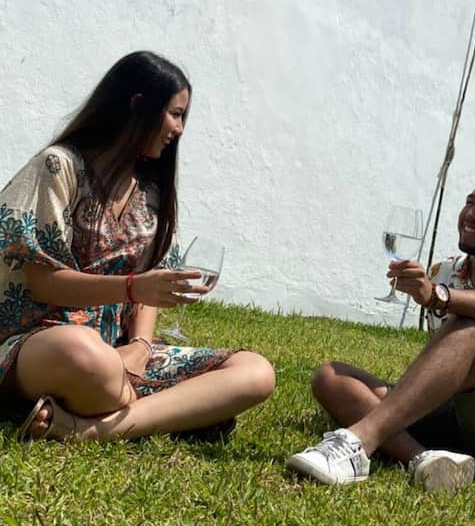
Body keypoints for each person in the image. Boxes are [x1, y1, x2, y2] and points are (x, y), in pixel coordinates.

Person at [0, 51, 275, 441]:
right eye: (175, 114)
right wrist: (131, 288)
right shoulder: (58, 168)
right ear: (137, 106)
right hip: (43, 341)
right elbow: (43, 283)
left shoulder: (151, 192)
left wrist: (142, 346)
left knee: (256, 372)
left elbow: (152, 283)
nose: (179, 128)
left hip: (121, 352)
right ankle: (179, 412)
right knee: (82, 353)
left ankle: (85, 428)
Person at [288, 173, 475, 492]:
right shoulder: (444, 271)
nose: (472, 214)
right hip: (452, 420)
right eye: (470, 202)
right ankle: (425, 459)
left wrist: (437, 296)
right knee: (332, 377)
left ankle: (357, 445)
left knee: (470, 331)